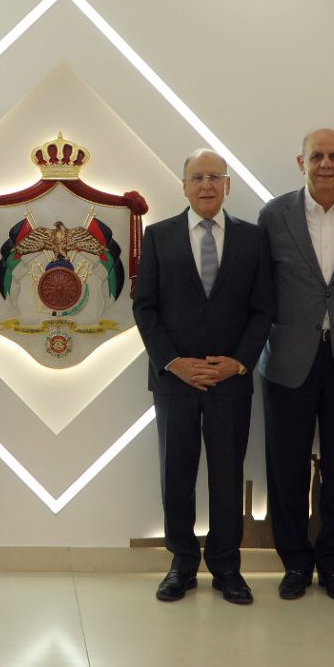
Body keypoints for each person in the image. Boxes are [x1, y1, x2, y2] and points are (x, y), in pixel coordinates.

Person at [134, 149, 274, 604]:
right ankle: (181, 563)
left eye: (215, 177)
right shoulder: (158, 236)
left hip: (230, 380)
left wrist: (239, 362)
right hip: (175, 380)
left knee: (227, 474)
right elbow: (145, 308)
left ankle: (227, 566)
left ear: (228, 184)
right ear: (184, 185)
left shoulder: (253, 239)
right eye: (198, 178)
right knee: (176, 472)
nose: (207, 185)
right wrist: (173, 362)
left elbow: (263, 310)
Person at [257, 128, 334, 602]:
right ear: (301, 163)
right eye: (316, 156)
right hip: (288, 358)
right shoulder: (274, 215)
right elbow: (260, 289)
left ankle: (333, 565)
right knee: (286, 467)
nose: (325, 164)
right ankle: (294, 563)